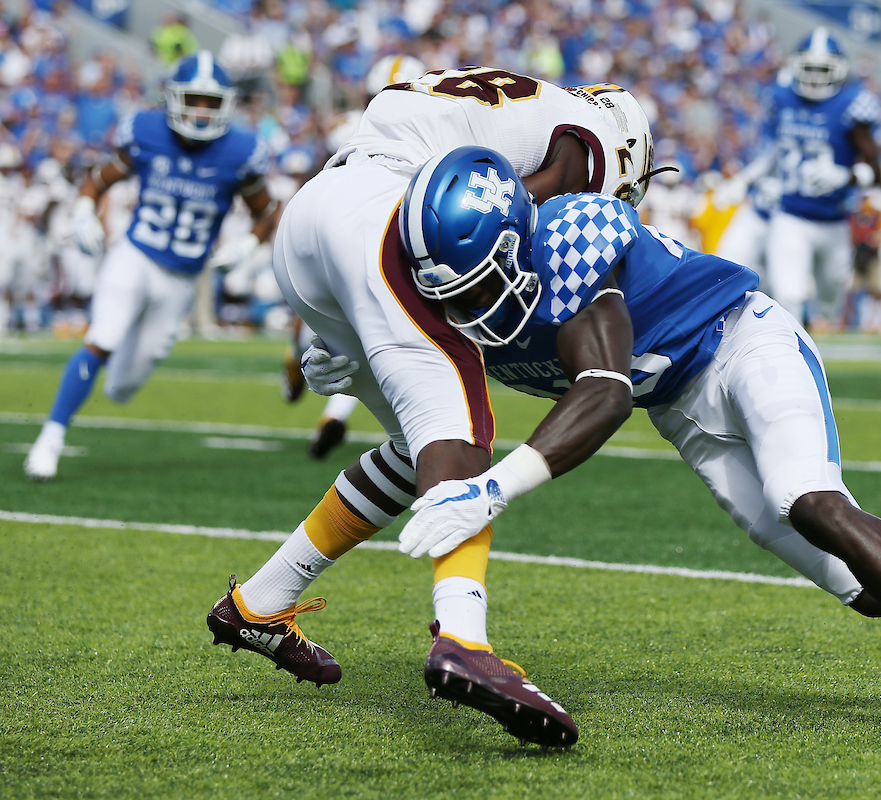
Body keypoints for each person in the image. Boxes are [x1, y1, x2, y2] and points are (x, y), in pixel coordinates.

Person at [356, 145, 881, 745]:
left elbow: (601, 393)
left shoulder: (570, 237)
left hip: (742, 342)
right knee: (864, 589)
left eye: (482, 279)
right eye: (450, 291)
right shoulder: (454, 304)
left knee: (809, 500)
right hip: (681, 404)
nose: (471, 305)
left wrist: (493, 488)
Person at [205, 69, 659, 749]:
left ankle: (258, 603)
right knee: (462, 435)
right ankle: (464, 639)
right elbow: (512, 213)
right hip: (390, 222)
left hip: (315, 220)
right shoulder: (588, 134)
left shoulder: (515, 102)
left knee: (412, 445)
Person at [24, 52, 277, 480]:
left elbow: (267, 210)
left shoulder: (240, 150)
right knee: (102, 337)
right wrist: (85, 210)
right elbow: (101, 178)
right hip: (136, 255)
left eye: (210, 102)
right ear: (173, 99)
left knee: (121, 389)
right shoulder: (146, 130)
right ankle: (49, 438)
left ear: (226, 105)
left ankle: (117, 349)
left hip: (181, 281)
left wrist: (249, 244)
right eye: (192, 99)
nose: (200, 111)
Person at [279, 53, 430, 460]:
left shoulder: (431, 136)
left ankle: (333, 415)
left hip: (383, 235)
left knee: (368, 332)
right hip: (344, 231)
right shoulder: (350, 131)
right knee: (339, 325)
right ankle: (298, 358)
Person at [730, 27, 881, 329]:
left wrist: (846, 176)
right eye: (809, 68)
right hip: (791, 215)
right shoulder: (782, 97)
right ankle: (794, 361)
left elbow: (876, 170)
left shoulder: (853, 103)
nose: (814, 77)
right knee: (789, 295)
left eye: (822, 69)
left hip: (834, 220)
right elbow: (774, 149)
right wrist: (750, 179)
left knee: (831, 299)